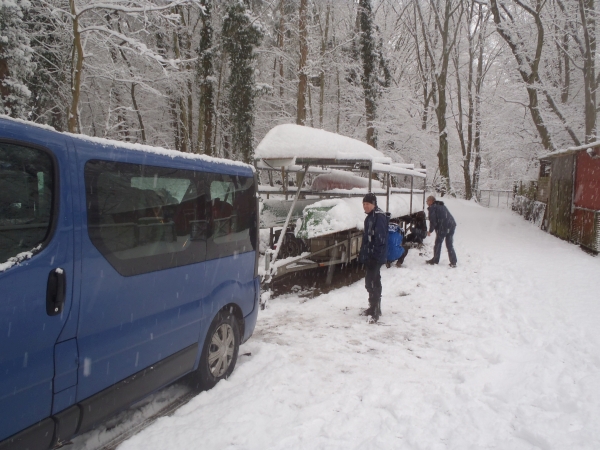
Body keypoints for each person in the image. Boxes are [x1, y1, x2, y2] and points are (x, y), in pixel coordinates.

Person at [358, 193, 388, 322]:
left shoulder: (378, 217)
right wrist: (363, 254)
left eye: (368, 204)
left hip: (376, 256)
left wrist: (374, 257)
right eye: (364, 204)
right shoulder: (371, 217)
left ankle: (375, 310)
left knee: (372, 281)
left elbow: (380, 239)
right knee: (372, 281)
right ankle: (374, 307)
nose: (365, 206)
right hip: (370, 255)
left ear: (374, 204)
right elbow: (367, 239)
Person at [426, 195, 457, 267]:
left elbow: (433, 220)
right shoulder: (441, 205)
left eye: (427, 201)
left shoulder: (433, 207)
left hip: (443, 227)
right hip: (451, 225)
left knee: (438, 243)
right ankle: (453, 261)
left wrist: (430, 231)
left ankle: (435, 260)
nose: (427, 203)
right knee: (449, 244)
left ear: (431, 201)